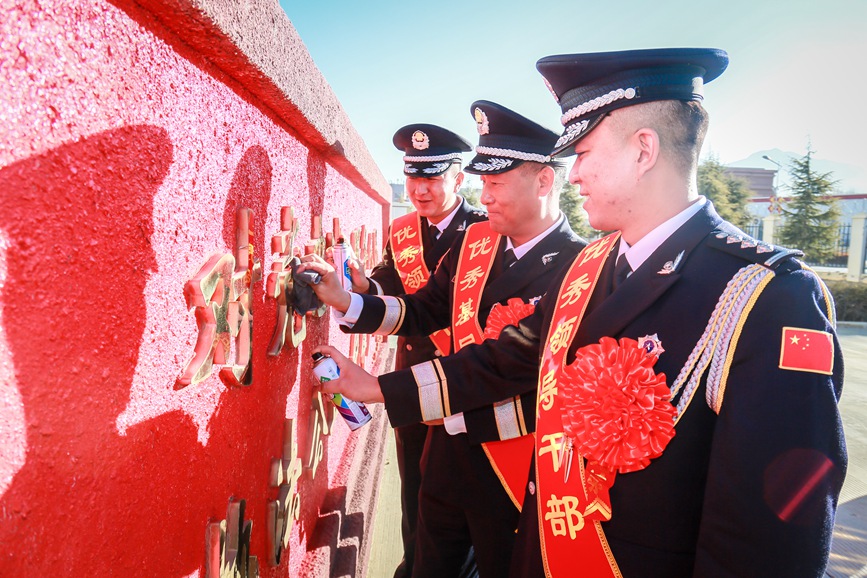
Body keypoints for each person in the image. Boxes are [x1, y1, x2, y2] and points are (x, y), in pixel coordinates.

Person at [313, 48, 847, 577]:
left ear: (643, 150)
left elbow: (767, 542)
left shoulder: (767, 297)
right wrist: (377, 388)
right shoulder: (592, 265)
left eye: (585, 152)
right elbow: (507, 358)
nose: (574, 175)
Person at [301, 101, 586, 577]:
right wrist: (345, 300)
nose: (485, 196)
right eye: (483, 183)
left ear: (543, 181)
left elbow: (502, 365)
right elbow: (421, 309)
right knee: (428, 562)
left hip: (516, 461)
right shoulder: (474, 243)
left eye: (496, 184)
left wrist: (377, 388)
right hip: (446, 447)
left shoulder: (581, 267)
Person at [345, 123, 485, 578]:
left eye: (432, 178)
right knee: (413, 484)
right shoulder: (403, 230)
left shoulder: (485, 231)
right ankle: (414, 565)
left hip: (461, 381)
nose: (420, 190)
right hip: (409, 378)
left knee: (460, 493)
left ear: (457, 179)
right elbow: (391, 281)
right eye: (412, 177)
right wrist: (364, 285)